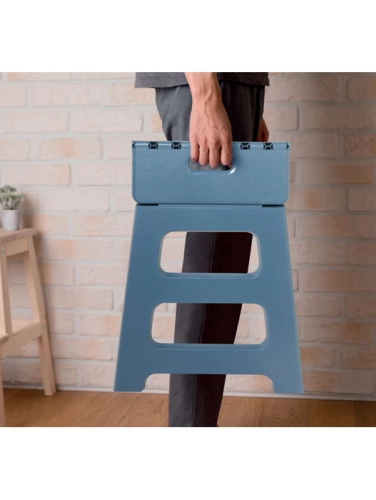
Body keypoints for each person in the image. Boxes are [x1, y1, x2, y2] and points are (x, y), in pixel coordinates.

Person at [135, 72, 270, 426]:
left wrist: (248, 101)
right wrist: (208, 97)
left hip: (230, 83)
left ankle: (194, 423)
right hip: (213, 80)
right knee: (213, 268)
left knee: (222, 264)